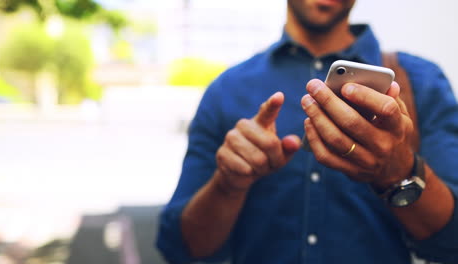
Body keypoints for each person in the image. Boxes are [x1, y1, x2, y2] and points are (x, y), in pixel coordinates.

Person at [156, 0, 458, 263]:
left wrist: (399, 169)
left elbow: (453, 241)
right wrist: (228, 185)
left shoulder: (422, 82)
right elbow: (181, 248)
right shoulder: (227, 89)